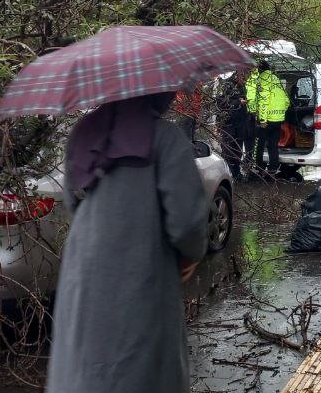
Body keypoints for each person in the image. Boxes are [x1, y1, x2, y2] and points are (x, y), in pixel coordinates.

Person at [47, 93, 208, 393]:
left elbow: (73, 201)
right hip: (140, 278)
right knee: (142, 369)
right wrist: (191, 256)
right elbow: (187, 223)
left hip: (83, 278)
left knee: (84, 367)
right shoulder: (165, 138)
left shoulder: (82, 133)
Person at [245, 61, 289, 175]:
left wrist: (263, 119)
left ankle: (258, 167)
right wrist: (281, 113)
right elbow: (286, 100)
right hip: (278, 119)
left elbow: (263, 101)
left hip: (266, 119)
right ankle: (273, 168)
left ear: (260, 69)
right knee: (272, 145)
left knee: (258, 144)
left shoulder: (262, 80)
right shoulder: (276, 79)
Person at [215, 72, 250, 179]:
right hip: (228, 123)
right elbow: (221, 103)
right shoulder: (225, 85)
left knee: (238, 148)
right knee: (227, 148)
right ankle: (228, 172)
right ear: (236, 75)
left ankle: (236, 171)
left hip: (240, 122)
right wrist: (238, 102)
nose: (244, 77)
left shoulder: (242, 87)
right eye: (242, 75)